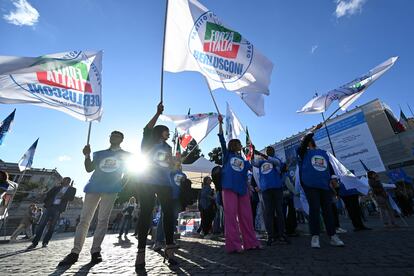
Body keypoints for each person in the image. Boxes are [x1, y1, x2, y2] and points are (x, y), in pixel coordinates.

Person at [58, 131, 130, 266]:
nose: (114, 137)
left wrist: (120, 186)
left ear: (122, 139)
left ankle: (96, 251)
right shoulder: (99, 153)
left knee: (103, 220)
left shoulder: (126, 155)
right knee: (84, 220)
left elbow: (128, 172)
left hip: (111, 189)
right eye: (112, 135)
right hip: (93, 187)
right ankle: (74, 252)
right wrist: (87, 155)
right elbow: (89, 168)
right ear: (109, 138)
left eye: (117, 135)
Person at [135, 102, 177, 270]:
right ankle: (140, 252)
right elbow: (146, 129)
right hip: (146, 180)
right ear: (160, 131)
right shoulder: (148, 141)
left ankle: (169, 248)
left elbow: (167, 164)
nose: (169, 133)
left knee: (168, 214)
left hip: (164, 182)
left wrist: (174, 162)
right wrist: (158, 113)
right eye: (167, 130)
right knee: (146, 213)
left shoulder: (168, 146)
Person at [218, 115, 260, 253]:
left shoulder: (243, 159)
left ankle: (251, 242)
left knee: (247, 216)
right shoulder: (227, 156)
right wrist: (220, 123)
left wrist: (253, 152)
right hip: (229, 188)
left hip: (242, 190)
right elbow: (222, 140)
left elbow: (252, 165)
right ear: (233, 146)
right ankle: (234, 245)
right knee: (231, 216)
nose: (240, 145)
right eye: (238, 143)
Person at [297, 129, 344, 248]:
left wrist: (333, 179)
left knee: (328, 210)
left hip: (324, 184)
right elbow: (304, 143)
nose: (303, 142)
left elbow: (329, 167)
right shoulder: (301, 152)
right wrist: (314, 130)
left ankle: (333, 236)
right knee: (314, 209)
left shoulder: (323, 153)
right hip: (310, 185)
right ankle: (315, 237)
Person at [252, 146, 288, 246]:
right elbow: (253, 163)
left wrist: (260, 154)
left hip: (277, 188)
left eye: (270, 150)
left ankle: (281, 234)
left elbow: (278, 164)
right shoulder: (261, 163)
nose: (269, 152)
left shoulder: (276, 160)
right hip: (266, 190)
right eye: (268, 151)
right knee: (269, 213)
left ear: (273, 152)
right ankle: (271, 235)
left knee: (279, 212)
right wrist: (251, 153)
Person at [27, 177, 76, 249]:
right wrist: (46, 203)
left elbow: (71, 198)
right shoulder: (57, 187)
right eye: (63, 180)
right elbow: (48, 194)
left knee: (52, 227)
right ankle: (34, 243)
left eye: (65, 180)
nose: (63, 181)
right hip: (49, 206)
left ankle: (45, 242)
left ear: (68, 181)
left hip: (58, 209)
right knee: (41, 225)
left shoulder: (72, 189)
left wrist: (63, 196)